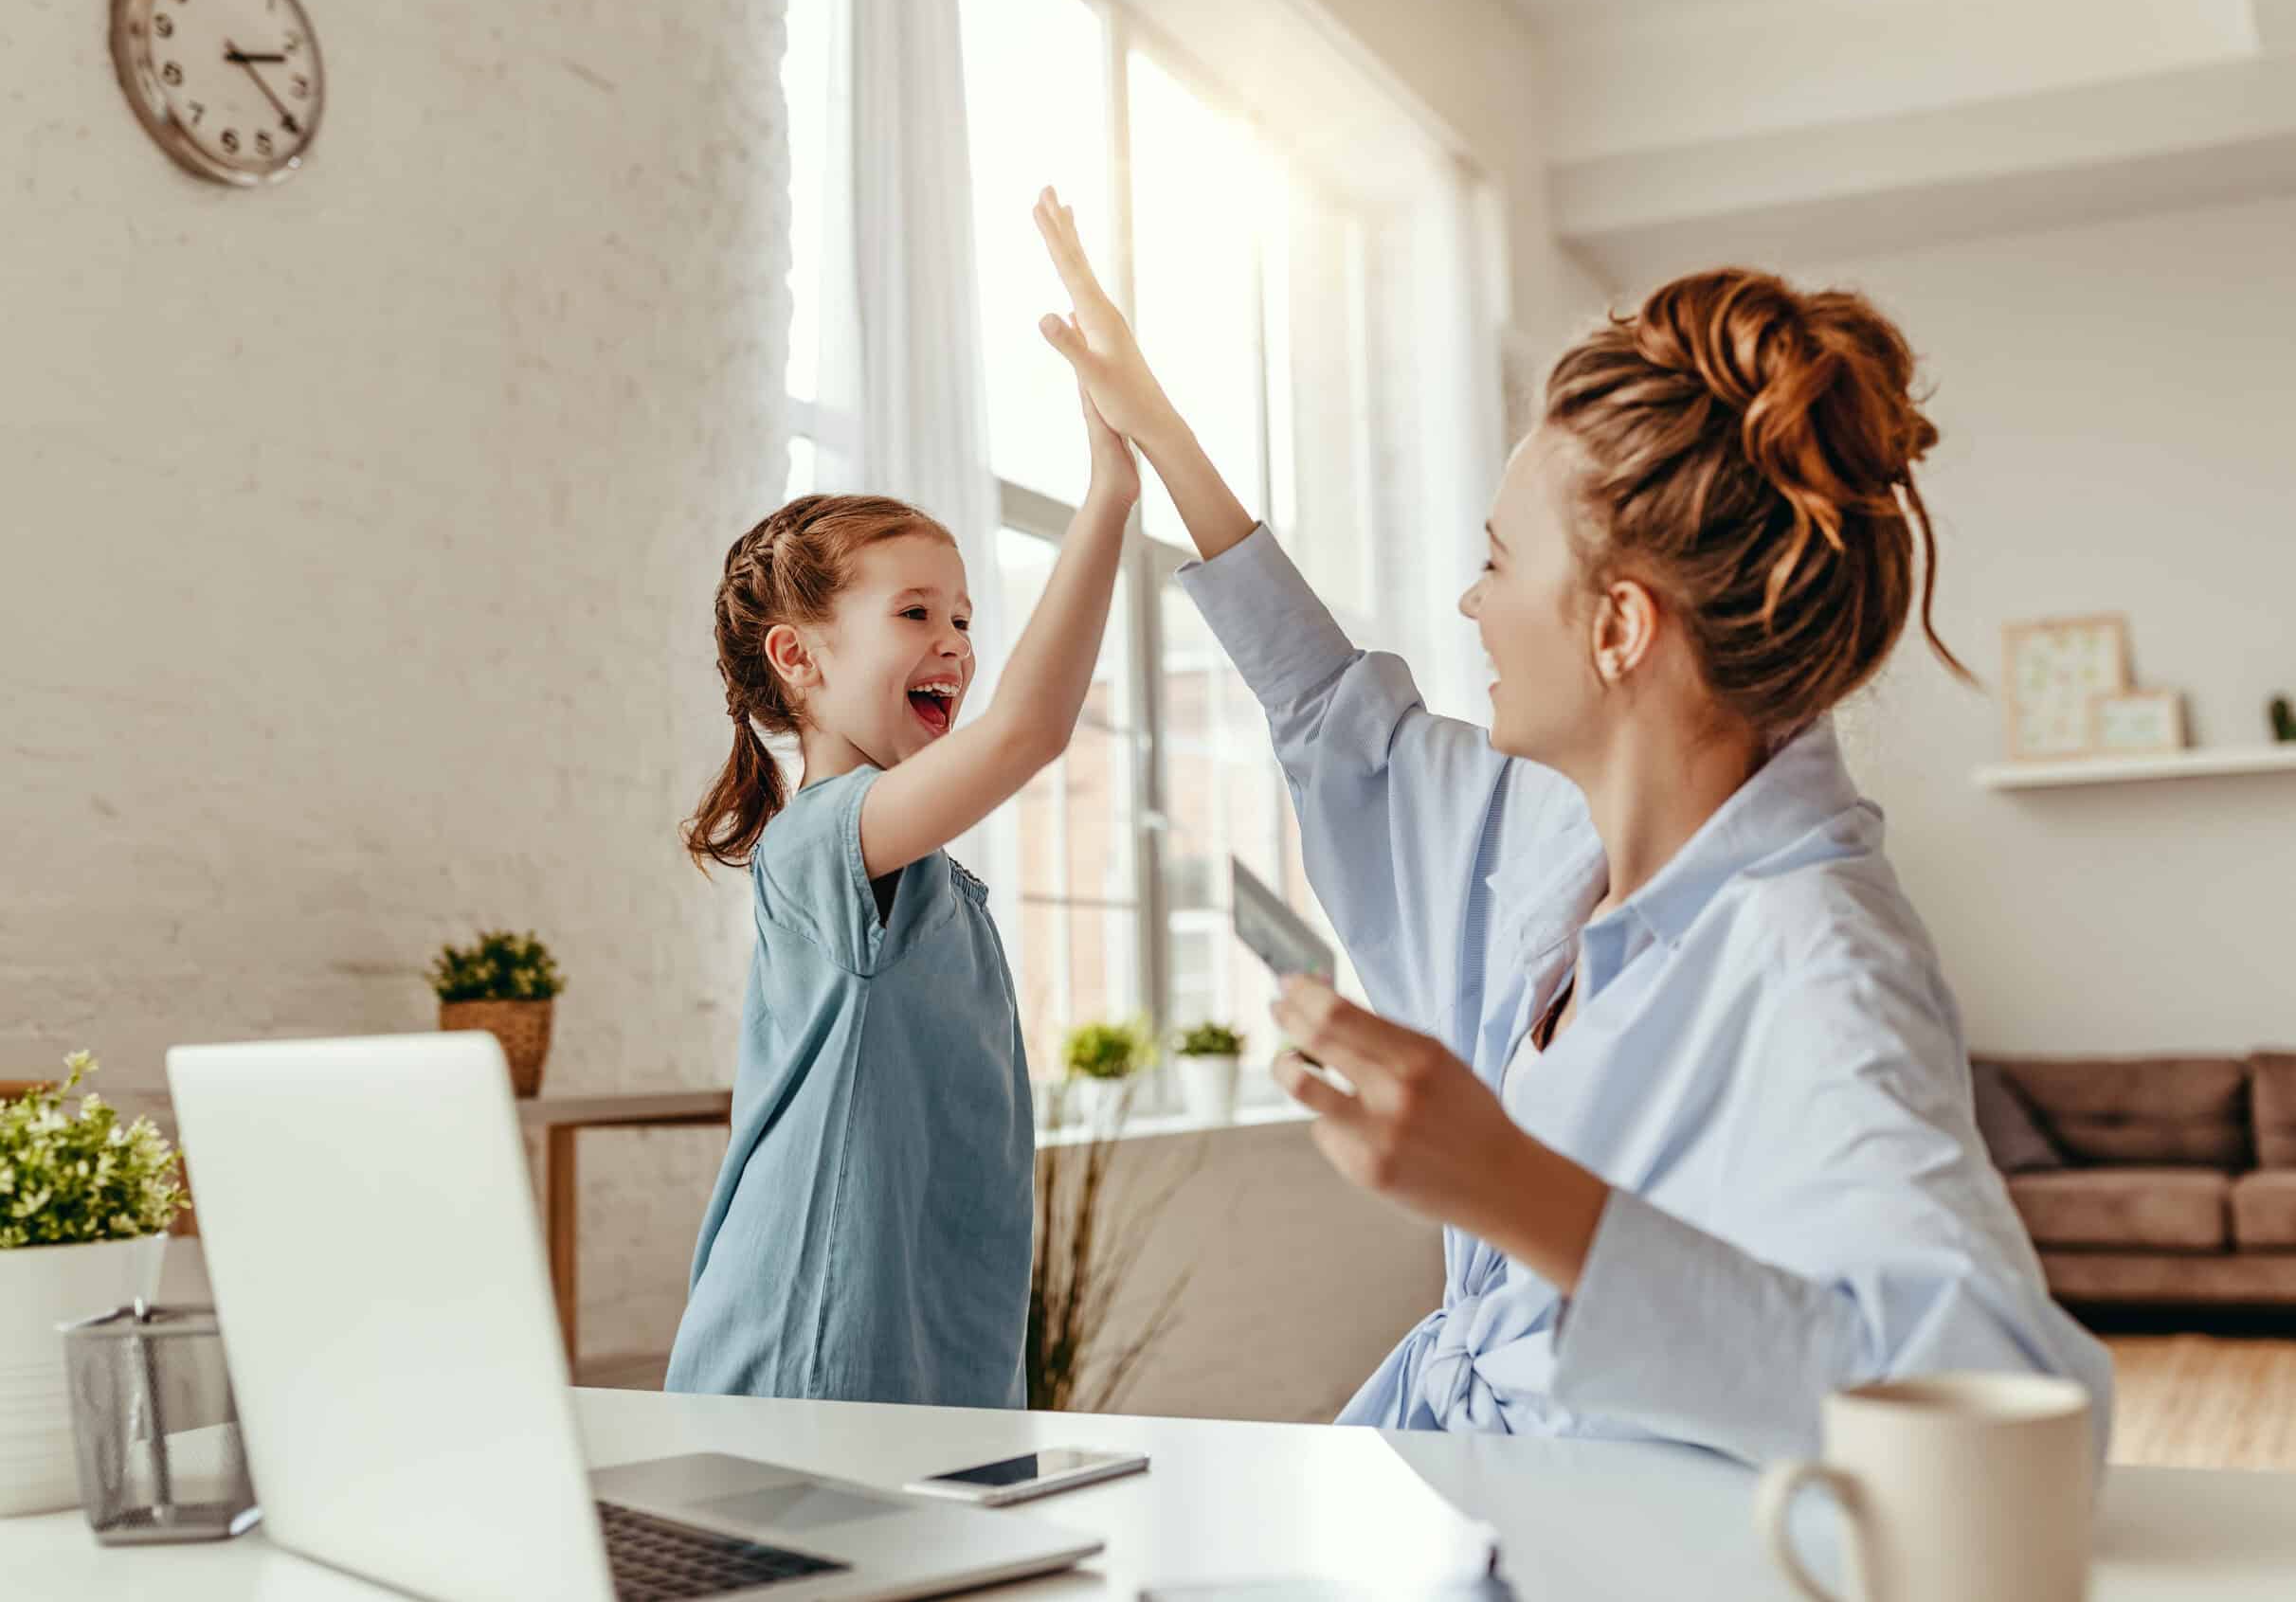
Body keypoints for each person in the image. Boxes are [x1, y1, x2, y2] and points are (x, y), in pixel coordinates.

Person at [1030, 189, 2112, 1465]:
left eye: (1497, 559)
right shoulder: (1549, 832)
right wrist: (1164, 436)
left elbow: (1997, 1402)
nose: (1469, 602)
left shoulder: (1818, 960)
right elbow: (1336, 714)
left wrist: (1507, 1181)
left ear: (1617, 625)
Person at [663, 257, 1140, 1407]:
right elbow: (1029, 729)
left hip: (924, 1360)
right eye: (915, 613)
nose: (958, 643)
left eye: (966, 616)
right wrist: (1110, 492)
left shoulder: (926, 875)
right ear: (801, 655)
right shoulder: (822, 843)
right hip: (810, 1348)